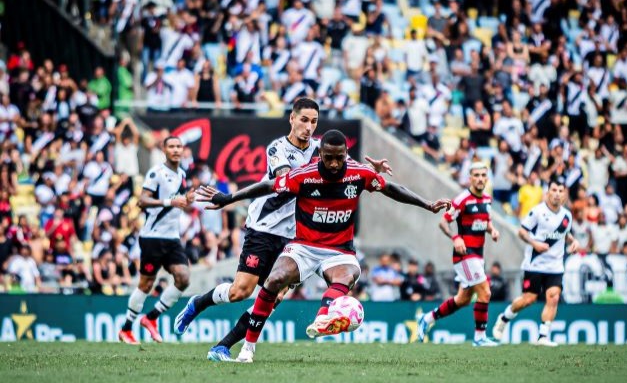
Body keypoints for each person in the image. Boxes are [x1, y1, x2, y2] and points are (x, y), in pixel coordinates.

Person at [198, 129, 451, 362]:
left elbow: (393, 189)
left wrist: (427, 204)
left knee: (349, 274)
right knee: (275, 280)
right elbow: (267, 186)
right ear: (320, 153)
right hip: (304, 247)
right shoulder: (304, 176)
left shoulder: (358, 174)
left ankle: (323, 318)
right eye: (328, 157)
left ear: (345, 154)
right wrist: (229, 198)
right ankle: (247, 348)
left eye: (338, 158)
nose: (333, 163)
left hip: (340, 251)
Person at [173, 98, 391, 362]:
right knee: (240, 291)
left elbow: (346, 169)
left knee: (272, 298)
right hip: (265, 227)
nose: (308, 127)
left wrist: (369, 170)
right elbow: (288, 180)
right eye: (303, 120)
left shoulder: (322, 150)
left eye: (313, 122)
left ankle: (224, 346)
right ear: (291, 118)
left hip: (297, 237)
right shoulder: (277, 148)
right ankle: (198, 303)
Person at [117, 136, 195, 345]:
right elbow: (142, 201)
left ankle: (151, 318)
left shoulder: (182, 174)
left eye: (179, 146)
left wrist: (187, 200)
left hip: (172, 238)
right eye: (172, 146)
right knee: (146, 284)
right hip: (152, 237)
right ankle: (126, 329)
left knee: (184, 278)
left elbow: (179, 202)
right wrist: (171, 201)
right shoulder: (156, 173)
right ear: (164, 149)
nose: (176, 150)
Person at [417, 162, 501, 347]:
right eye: (476, 175)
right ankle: (479, 338)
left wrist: (492, 230)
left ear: (487, 178)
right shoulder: (462, 199)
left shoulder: (487, 199)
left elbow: (485, 222)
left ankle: (427, 318)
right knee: (485, 293)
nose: (480, 179)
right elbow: (443, 222)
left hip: (478, 255)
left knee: (462, 300)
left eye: (483, 175)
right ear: (470, 178)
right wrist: (455, 237)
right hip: (464, 255)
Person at [492, 177, 579, 347]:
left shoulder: (567, 215)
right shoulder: (537, 212)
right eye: (554, 190)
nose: (557, 194)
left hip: (555, 266)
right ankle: (503, 318)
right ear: (547, 193)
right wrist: (535, 244)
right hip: (535, 264)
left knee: (553, 298)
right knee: (528, 299)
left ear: (564, 195)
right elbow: (522, 232)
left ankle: (543, 336)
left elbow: (564, 234)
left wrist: (573, 241)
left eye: (560, 191)